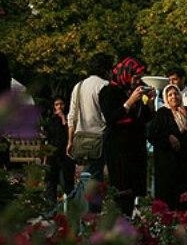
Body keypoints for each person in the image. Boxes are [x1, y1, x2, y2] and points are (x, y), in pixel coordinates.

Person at [99, 57, 155, 216]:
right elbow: (111, 117)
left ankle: (128, 218)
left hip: (135, 145)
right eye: (135, 77)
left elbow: (145, 119)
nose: (137, 81)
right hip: (118, 147)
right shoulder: (108, 91)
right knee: (121, 188)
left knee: (132, 188)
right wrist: (129, 102)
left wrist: (149, 103)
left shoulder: (135, 91)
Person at [147, 83, 187, 210]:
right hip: (169, 167)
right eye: (170, 95)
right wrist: (168, 138)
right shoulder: (162, 113)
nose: (174, 97)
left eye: (176, 93)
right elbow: (152, 134)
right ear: (166, 98)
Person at [67, 52, 112, 192]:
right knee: (96, 176)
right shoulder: (105, 85)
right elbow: (107, 116)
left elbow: (72, 116)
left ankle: (83, 207)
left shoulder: (78, 86)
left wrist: (70, 140)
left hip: (80, 138)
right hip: (99, 138)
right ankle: (92, 211)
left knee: (85, 175)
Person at [42, 96, 76, 207]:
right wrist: (45, 158)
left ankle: (70, 208)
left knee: (67, 182)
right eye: (57, 104)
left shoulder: (68, 120)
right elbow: (47, 139)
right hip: (53, 155)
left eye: (61, 104)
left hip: (65, 154)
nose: (59, 106)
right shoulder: (50, 121)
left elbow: (70, 133)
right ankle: (51, 208)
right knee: (51, 182)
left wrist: (63, 119)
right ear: (54, 107)